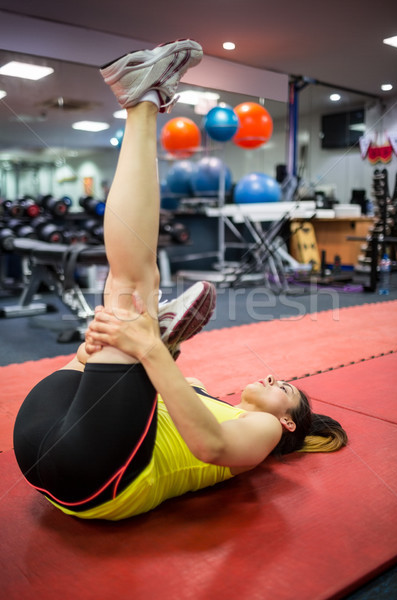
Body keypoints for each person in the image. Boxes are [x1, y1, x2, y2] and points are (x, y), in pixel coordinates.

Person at [13, 40, 347, 521]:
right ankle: (139, 337)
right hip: (56, 423)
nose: (276, 378)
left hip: (93, 477)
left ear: (288, 418)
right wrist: (100, 349)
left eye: (286, 388)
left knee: (132, 287)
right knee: (121, 312)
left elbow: (211, 447)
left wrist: (149, 350)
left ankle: (143, 99)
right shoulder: (199, 393)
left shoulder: (266, 431)